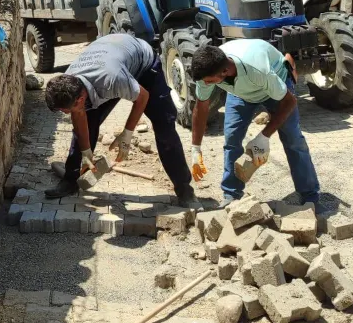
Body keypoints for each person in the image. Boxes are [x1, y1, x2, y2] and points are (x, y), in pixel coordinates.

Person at [44, 33, 196, 203]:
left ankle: (184, 190)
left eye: (65, 110)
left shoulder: (112, 79)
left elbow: (142, 97)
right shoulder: (70, 80)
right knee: (86, 125)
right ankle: (70, 180)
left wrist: (127, 133)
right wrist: (86, 154)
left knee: (164, 126)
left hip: (145, 67)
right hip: (109, 62)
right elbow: (79, 118)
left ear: (80, 99)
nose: (65, 114)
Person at [189, 41, 320, 206]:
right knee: (232, 139)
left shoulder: (258, 69)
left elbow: (289, 102)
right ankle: (231, 195)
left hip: (276, 87)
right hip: (241, 93)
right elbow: (201, 107)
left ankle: (310, 196)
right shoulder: (207, 69)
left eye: (209, 82)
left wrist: (264, 136)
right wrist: (196, 148)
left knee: (293, 139)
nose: (206, 84)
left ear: (225, 71)